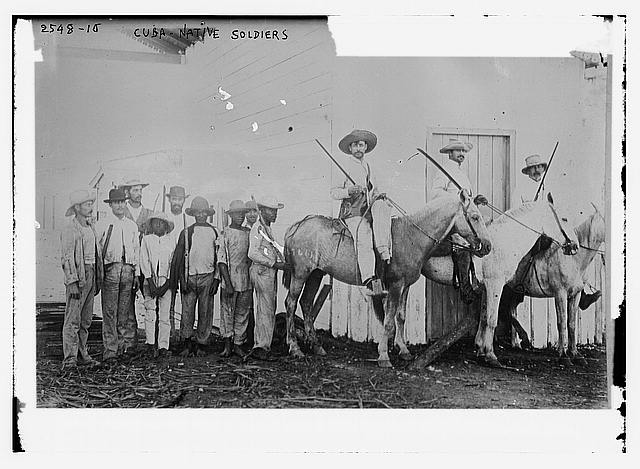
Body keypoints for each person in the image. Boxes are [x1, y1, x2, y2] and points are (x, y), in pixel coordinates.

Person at [510, 155, 601, 309]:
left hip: (548, 229)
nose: (537, 171)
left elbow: (555, 212)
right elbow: (515, 213)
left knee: (570, 249)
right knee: (527, 253)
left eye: (539, 167)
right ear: (528, 171)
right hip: (529, 230)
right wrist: (532, 207)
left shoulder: (547, 188)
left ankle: (582, 292)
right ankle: (518, 283)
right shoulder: (521, 188)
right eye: (533, 168)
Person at [329, 129, 392, 297]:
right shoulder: (344, 166)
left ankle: (385, 266)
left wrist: (378, 194)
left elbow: (374, 189)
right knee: (363, 237)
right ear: (350, 148)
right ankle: (369, 281)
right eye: (355, 145)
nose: (358, 148)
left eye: (361, 145)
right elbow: (334, 192)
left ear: (366, 147)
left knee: (385, 231)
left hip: (370, 210)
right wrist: (349, 190)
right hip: (353, 212)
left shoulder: (370, 166)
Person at [430, 138, 488, 303]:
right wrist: (456, 198)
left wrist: (476, 200)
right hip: (449, 218)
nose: (461, 154)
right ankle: (465, 288)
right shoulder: (444, 171)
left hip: (462, 217)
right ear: (450, 153)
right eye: (458, 150)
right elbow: (435, 193)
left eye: (463, 151)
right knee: (461, 243)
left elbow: (466, 202)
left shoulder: (462, 175)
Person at [170, 196, 220, 357]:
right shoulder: (186, 232)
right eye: (197, 212)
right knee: (187, 312)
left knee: (205, 312)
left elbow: (220, 258)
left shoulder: (214, 231)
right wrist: (182, 281)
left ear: (207, 213)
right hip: (189, 277)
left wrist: (217, 279)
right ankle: (187, 342)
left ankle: (202, 344)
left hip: (208, 276)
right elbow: (178, 259)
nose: (201, 215)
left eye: (203, 212)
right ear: (193, 214)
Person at [59, 190, 104, 369]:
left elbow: (96, 253)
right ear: (77, 208)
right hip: (79, 276)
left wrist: (97, 278)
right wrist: (72, 283)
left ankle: (82, 353)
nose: (90, 207)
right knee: (73, 320)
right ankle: (69, 359)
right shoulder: (71, 229)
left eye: (91, 204)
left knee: (86, 319)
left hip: (91, 274)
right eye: (87, 204)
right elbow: (67, 257)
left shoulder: (90, 226)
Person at [96, 188, 140, 364]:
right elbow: (97, 249)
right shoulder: (103, 224)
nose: (120, 205)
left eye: (122, 202)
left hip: (128, 271)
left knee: (123, 312)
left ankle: (123, 347)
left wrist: (136, 273)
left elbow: (135, 250)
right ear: (111, 204)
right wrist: (100, 271)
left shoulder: (131, 225)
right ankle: (110, 350)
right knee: (109, 311)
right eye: (116, 202)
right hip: (111, 269)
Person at [247, 196, 287, 360]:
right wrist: (274, 264)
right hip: (262, 272)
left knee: (268, 308)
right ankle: (261, 347)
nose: (275, 214)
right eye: (272, 211)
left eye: (276, 211)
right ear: (262, 211)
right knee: (265, 309)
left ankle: (264, 345)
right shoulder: (258, 229)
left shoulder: (267, 229)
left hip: (269, 272)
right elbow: (252, 253)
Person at [217, 200, 253, 358]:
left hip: (245, 279)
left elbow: (252, 256)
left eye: (242, 214)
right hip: (230, 278)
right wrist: (228, 283)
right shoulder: (225, 233)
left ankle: (238, 344)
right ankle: (227, 345)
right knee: (227, 312)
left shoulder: (248, 233)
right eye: (237, 214)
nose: (240, 217)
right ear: (231, 215)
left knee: (242, 313)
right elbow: (222, 261)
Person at [140, 212, 175, 359]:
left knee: (165, 315)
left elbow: (173, 263)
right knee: (150, 312)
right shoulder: (147, 240)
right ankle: (150, 344)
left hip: (166, 281)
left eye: (161, 222)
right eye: (155, 222)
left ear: (166, 225)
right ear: (151, 225)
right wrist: (150, 280)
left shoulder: (171, 241)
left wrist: (167, 283)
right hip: (150, 280)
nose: (159, 225)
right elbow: (144, 260)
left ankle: (163, 346)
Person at [164, 185, 190, 340]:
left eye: (180, 199)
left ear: (184, 201)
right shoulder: (163, 217)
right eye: (174, 199)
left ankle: (184, 335)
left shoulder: (188, 219)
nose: (177, 202)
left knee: (186, 299)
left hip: (184, 263)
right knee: (168, 299)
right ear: (169, 199)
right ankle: (169, 335)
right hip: (168, 263)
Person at [243, 199, 259, 347]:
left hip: (260, 272)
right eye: (248, 211)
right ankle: (247, 338)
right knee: (248, 304)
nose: (252, 214)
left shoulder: (261, 230)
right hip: (246, 271)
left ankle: (258, 338)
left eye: (255, 210)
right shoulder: (244, 231)